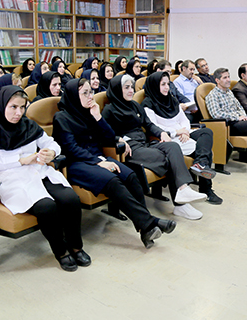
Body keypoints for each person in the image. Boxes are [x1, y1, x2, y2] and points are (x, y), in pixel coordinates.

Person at [0, 85, 90, 271]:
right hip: (10, 179)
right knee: (47, 207)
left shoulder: (28, 125)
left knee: (71, 199)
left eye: (22, 107)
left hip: (38, 171)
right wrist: (20, 160)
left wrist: (51, 152)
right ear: (1, 105)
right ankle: (61, 252)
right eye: (13, 107)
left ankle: (76, 247)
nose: (18, 113)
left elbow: (52, 143)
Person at [53, 79, 176, 248]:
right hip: (76, 164)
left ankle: (146, 227)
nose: (91, 97)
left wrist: (98, 117)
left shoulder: (89, 112)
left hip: (97, 158)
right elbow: (71, 148)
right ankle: (150, 223)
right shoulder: (62, 117)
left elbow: (109, 137)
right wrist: (98, 162)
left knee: (132, 176)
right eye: (85, 93)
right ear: (74, 95)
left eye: (91, 92)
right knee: (113, 181)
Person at [102, 74, 208, 220]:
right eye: (126, 88)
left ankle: (183, 190)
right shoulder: (109, 110)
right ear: (116, 90)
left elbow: (149, 125)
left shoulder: (134, 105)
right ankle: (181, 204)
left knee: (172, 147)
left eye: (131, 87)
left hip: (144, 143)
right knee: (168, 158)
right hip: (129, 148)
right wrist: (117, 138)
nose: (131, 91)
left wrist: (162, 132)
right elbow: (102, 133)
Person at [141, 70, 223, 204]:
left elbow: (183, 119)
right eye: (163, 84)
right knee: (203, 150)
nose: (167, 87)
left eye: (168, 84)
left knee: (206, 133)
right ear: (155, 85)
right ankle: (206, 189)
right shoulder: (147, 104)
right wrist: (177, 131)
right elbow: (153, 126)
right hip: (168, 138)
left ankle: (200, 164)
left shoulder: (171, 99)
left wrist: (184, 130)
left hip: (183, 133)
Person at [173, 59, 203, 124]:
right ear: (184, 68)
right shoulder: (177, 82)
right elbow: (181, 99)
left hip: (199, 110)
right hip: (188, 112)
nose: (192, 72)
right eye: (191, 69)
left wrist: (200, 82)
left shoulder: (195, 80)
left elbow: (203, 95)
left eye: (193, 70)